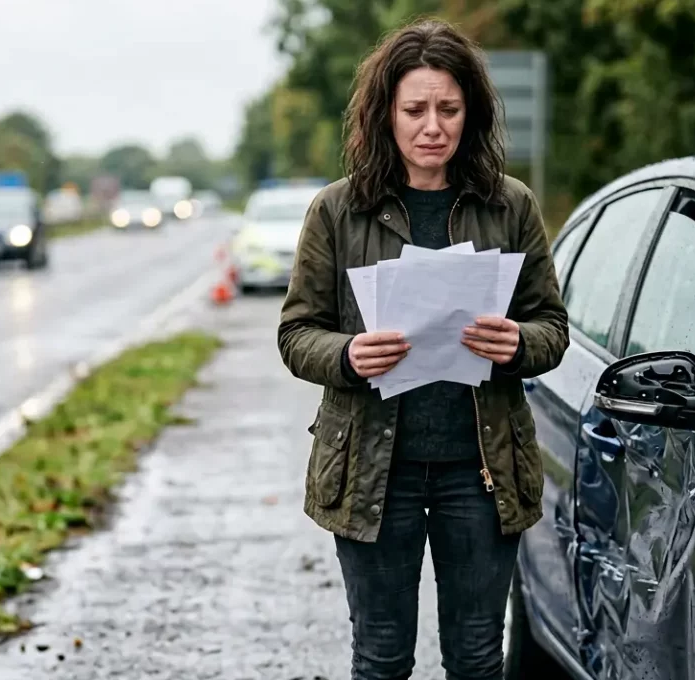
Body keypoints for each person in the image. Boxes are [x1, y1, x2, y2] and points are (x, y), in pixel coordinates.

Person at [276, 18, 569, 680]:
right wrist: (349, 356)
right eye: (415, 110)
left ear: (472, 113)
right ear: (386, 115)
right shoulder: (337, 211)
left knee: (475, 657)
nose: (432, 125)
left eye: (448, 109)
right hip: (376, 475)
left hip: (481, 471)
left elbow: (551, 325)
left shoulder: (511, 206)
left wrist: (518, 343)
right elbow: (296, 333)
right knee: (380, 658)